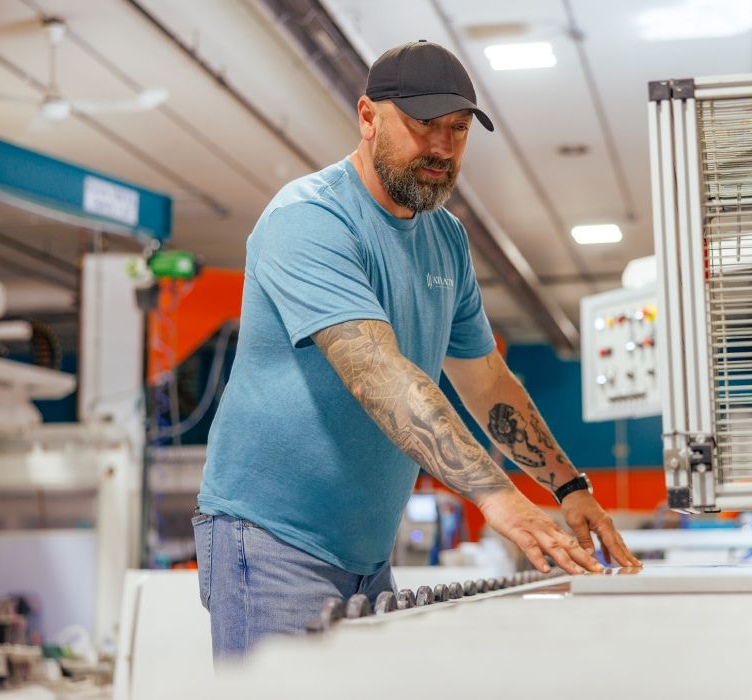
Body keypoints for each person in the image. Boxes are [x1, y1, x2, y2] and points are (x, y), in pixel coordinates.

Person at [193, 39, 641, 659]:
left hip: (366, 555)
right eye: (424, 126)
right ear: (368, 117)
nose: (442, 148)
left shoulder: (445, 237)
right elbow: (378, 373)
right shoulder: (308, 219)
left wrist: (569, 488)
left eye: (457, 130)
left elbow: (487, 380)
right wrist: (497, 496)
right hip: (272, 541)